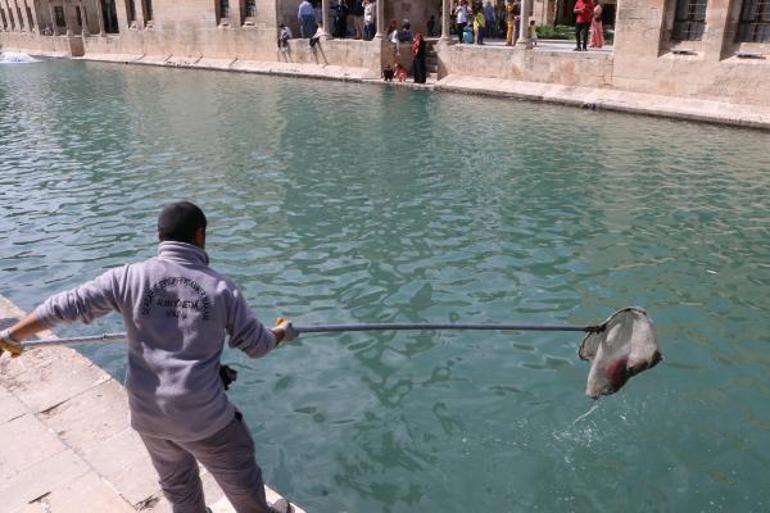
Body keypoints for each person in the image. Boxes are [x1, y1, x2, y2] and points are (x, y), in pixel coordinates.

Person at [0, 202, 297, 513]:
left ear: (160, 237)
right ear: (200, 236)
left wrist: (11, 335)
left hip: (148, 414)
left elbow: (64, 306)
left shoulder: (128, 277)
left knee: (179, 487)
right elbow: (257, 346)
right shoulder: (222, 289)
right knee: (241, 477)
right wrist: (281, 332)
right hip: (205, 417)